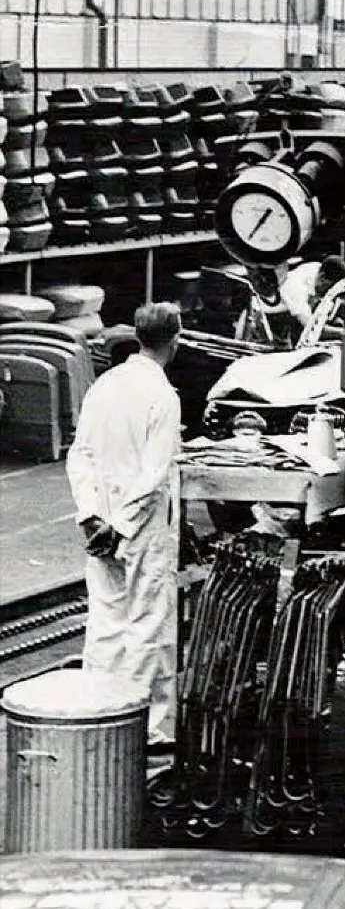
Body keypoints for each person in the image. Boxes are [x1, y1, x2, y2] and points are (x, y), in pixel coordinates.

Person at [65, 300, 185, 750]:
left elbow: (81, 456)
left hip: (101, 528)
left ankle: (99, 713)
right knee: (148, 627)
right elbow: (154, 475)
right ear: (175, 340)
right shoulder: (163, 397)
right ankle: (151, 732)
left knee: (106, 622)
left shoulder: (105, 386)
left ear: (137, 336)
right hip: (143, 531)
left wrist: (92, 515)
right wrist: (123, 524)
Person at [277, 253, 345, 334]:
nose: (329, 293)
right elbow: (310, 329)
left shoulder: (318, 269)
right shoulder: (296, 287)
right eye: (330, 288)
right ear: (322, 278)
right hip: (280, 329)